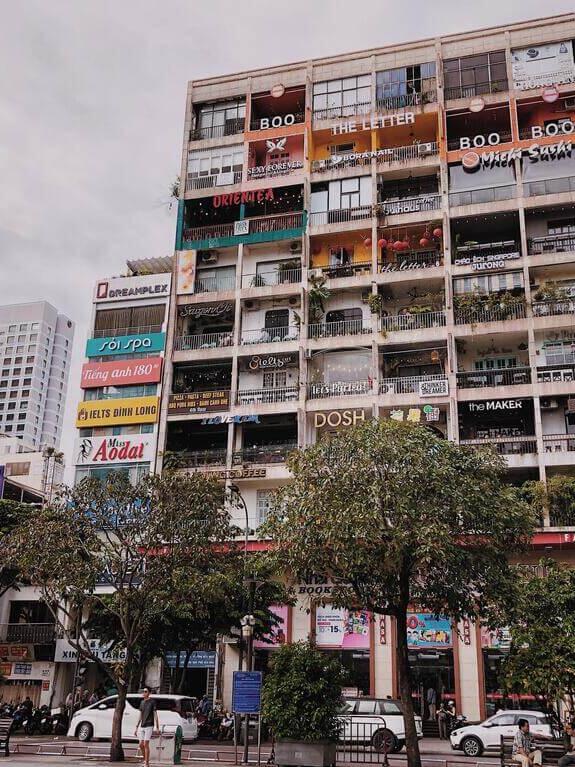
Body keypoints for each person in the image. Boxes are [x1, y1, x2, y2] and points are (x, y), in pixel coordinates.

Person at [134, 687, 159, 767]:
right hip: (142, 725)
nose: (144, 693)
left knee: (145, 743)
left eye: (145, 691)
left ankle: (147, 763)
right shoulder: (142, 702)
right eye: (143, 691)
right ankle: (145, 760)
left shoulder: (152, 702)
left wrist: (157, 727)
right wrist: (136, 727)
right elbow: (140, 715)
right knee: (141, 744)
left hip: (149, 725)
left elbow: (155, 714)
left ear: (149, 693)